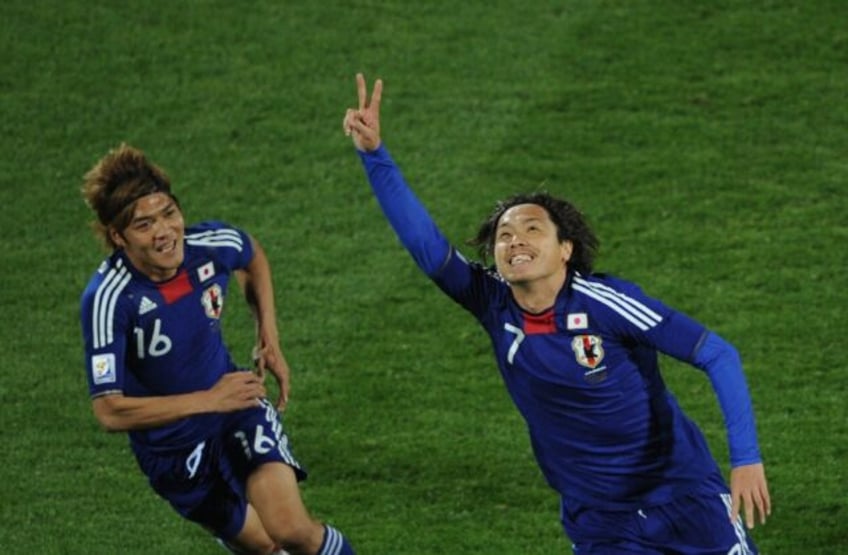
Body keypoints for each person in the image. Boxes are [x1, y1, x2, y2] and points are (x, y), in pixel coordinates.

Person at [343, 74, 771, 554]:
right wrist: (374, 154)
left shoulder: (606, 304)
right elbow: (427, 248)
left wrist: (746, 460)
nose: (515, 240)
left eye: (531, 229)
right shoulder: (492, 302)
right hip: (600, 521)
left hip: (684, 498)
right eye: (504, 235)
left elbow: (717, 354)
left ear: (565, 248)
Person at [79, 144, 355, 555]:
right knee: (263, 547)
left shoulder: (209, 244)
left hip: (235, 411)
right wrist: (206, 400)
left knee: (291, 530)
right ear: (119, 237)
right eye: (144, 225)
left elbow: (252, 256)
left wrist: (268, 336)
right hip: (172, 454)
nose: (165, 232)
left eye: (169, 214)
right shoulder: (109, 299)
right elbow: (109, 410)